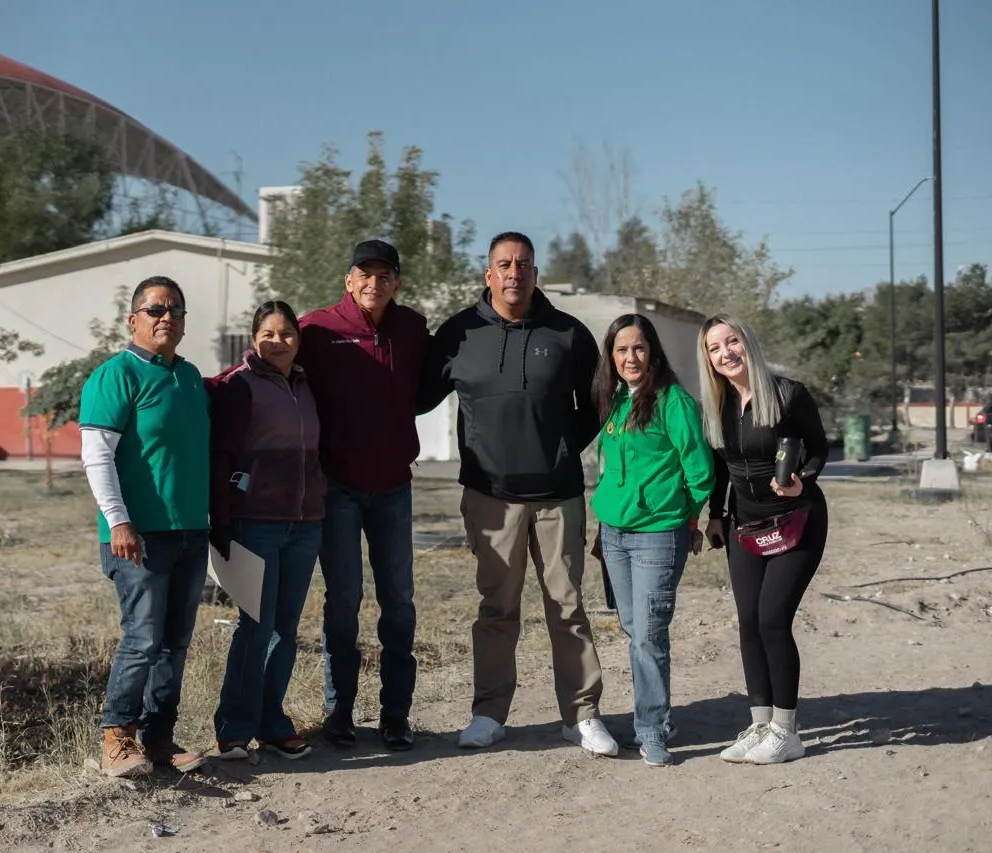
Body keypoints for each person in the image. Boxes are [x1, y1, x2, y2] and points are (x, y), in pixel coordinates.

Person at [419, 231, 618, 757]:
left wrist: (561, 448)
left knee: (568, 606)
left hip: (558, 494)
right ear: (488, 275)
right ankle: (488, 714)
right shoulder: (459, 333)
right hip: (490, 496)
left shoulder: (568, 333)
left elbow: (601, 399)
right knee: (496, 609)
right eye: (503, 264)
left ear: (535, 273)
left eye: (523, 264)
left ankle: (582, 715)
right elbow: (415, 396)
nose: (514, 273)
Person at [297, 239, 429, 751]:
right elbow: (271, 362)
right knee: (344, 599)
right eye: (364, 274)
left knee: (398, 600)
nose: (374, 284)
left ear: (396, 282)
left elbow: (432, 382)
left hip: (394, 487)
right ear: (348, 281)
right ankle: (341, 711)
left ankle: (396, 715)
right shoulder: (317, 329)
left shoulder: (412, 329)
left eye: (384, 275)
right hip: (338, 488)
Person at [79, 275, 209, 778]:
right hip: (137, 536)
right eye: (155, 309)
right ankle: (117, 738)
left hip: (190, 533)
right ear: (133, 319)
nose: (166, 317)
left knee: (175, 643)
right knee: (142, 640)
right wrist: (119, 521)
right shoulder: (116, 375)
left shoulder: (191, 377)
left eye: (175, 309)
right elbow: (97, 458)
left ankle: (159, 739)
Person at [698, 313, 829, 765]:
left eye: (731, 342)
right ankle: (760, 724)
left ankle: (786, 732)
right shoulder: (717, 405)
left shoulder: (788, 394)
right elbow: (720, 467)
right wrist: (716, 514)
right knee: (749, 622)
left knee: (773, 618)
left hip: (796, 520)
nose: (725, 353)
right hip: (744, 525)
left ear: (747, 342)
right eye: (715, 348)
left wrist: (802, 480)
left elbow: (818, 447)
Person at [589, 314, 715, 767]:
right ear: (612, 357)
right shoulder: (617, 402)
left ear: (653, 351)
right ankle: (653, 715)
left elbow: (701, 471)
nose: (630, 357)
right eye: (621, 350)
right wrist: (605, 522)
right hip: (614, 533)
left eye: (638, 348)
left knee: (648, 634)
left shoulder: (674, 402)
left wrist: (689, 519)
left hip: (659, 534)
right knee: (632, 626)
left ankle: (653, 728)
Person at [206, 301, 326, 760]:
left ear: (299, 339)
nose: (278, 341)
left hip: (305, 525)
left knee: (286, 630)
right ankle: (233, 730)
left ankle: (273, 724)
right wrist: (223, 521)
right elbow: (220, 457)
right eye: (269, 333)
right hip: (255, 524)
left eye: (287, 333)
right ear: (253, 337)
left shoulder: (308, 385)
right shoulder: (237, 385)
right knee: (254, 629)